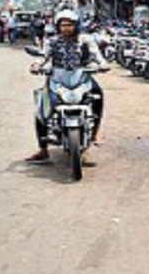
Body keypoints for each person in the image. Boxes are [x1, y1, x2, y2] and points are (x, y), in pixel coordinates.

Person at [26, 10, 108, 164]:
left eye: (69, 25)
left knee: (98, 96)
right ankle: (43, 150)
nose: (66, 28)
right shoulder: (52, 41)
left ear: (76, 25)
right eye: (63, 25)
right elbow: (45, 56)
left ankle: (95, 132)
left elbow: (96, 54)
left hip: (81, 77)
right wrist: (37, 65)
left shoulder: (85, 39)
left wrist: (103, 64)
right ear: (58, 27)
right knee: (41, 111)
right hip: (57, 78)